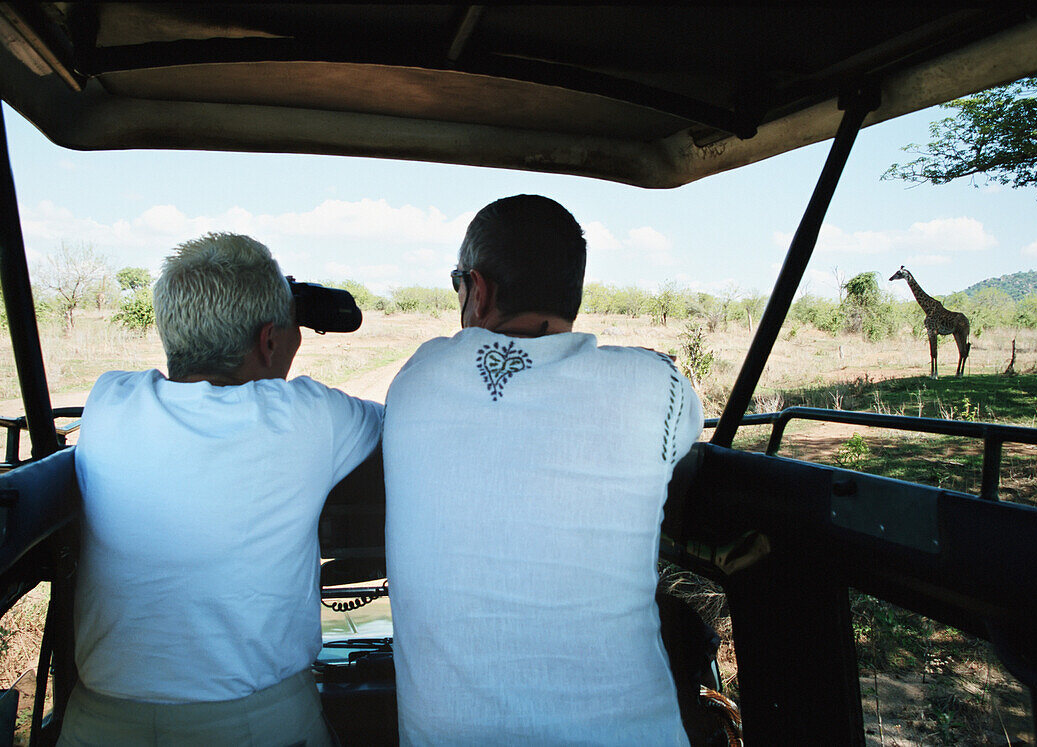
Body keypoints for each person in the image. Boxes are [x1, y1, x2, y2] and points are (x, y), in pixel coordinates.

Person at [384, 195, 702, 745]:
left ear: (477, 290)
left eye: (458, 284)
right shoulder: (657, 386)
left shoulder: (418, 375)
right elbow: (677, 440)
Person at [61, 233, 383, 746]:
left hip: (96, 722)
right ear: (269, 340)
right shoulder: (310, 415)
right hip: (254, 722)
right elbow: (406, 425)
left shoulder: (109, 399)